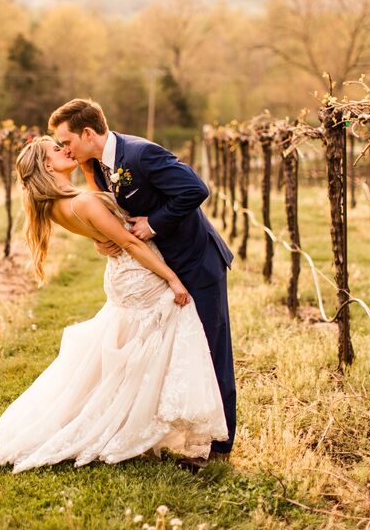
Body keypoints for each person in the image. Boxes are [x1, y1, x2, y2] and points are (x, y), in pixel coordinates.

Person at [0, 135, 228, 473]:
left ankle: (148, 415)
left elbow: (103, 228)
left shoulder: (56, 204)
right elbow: (127, 240)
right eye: (56, 148)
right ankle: (183, 431)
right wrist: (172, 278)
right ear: (48, 166)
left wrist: (99, 233)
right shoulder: (80, 201)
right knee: (175, 337)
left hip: (121, 276)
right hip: (138, 273)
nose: (63, 149)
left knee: (144, 345)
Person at [49, 98, 236, 462]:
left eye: (66, 140)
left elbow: (195, 190)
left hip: (195, 262)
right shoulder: (101, 167)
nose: (64, 149)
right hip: (162, 265)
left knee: (212, 347)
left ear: (88, 133)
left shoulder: (141, 154)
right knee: (184, 348)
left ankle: (219, 444)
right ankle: (179, 429)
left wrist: (153, 223)